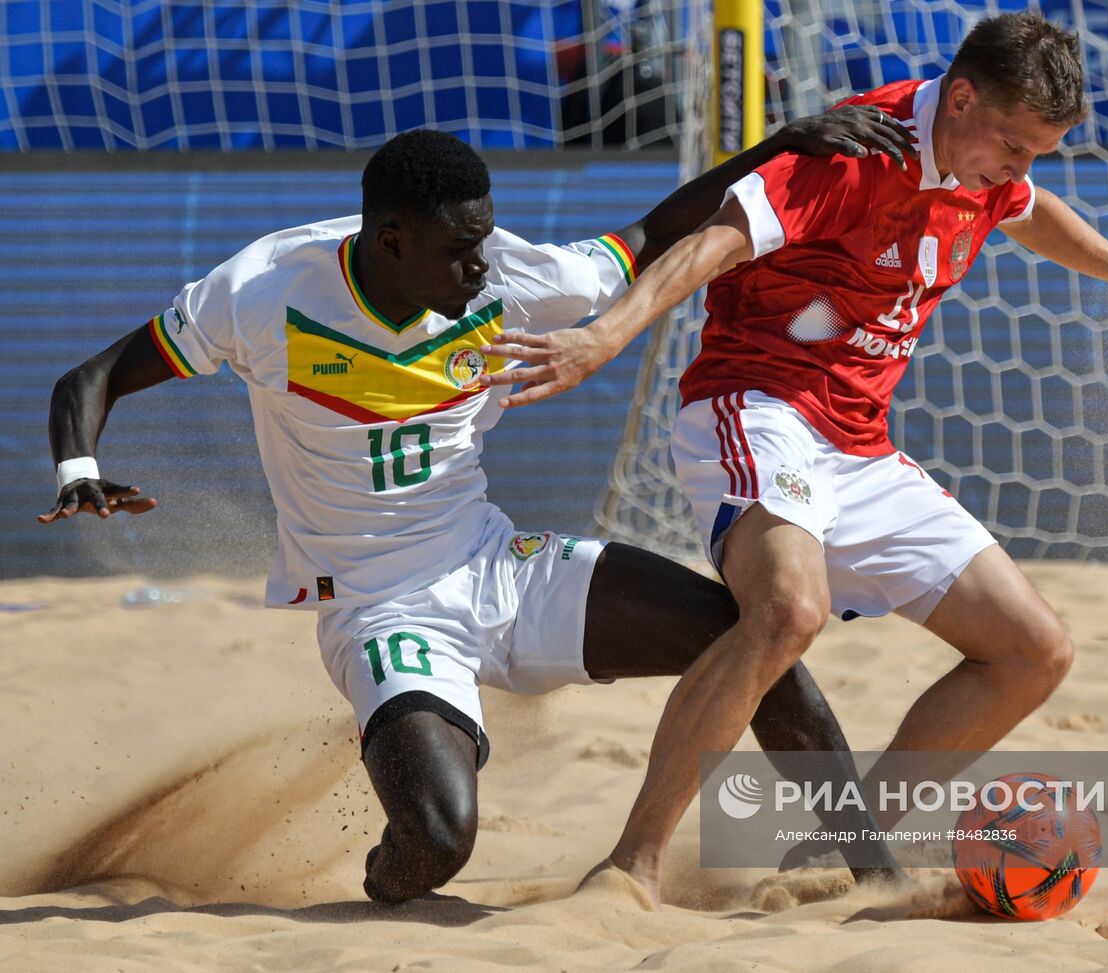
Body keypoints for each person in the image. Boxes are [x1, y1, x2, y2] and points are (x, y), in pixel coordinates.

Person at [482, 10, 1108, 905]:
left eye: (1037, 152)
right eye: (1013, 145)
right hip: (757, 405)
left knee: (1035, 649)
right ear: (960, 99)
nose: (1020, 169)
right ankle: (631, 865)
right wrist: (604, 335)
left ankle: (835, 850)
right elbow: (714, 241)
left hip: (858, 444)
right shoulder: (860, 150)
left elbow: (1028, 209)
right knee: (786, 610)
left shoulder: (989, 163)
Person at [37, 112, 920, 904]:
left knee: (754, 634)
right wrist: (79, 465)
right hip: (381, 606)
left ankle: (876, 872)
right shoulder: (266, 291)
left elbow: (652, 232)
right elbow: (96, 374)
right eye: (460, 249)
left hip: (496, 561)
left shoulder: (512, 277)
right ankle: (389, 852)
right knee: (438, 838)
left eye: (486, 240)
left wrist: (782, 144)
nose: (482, 264)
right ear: (389, 240)